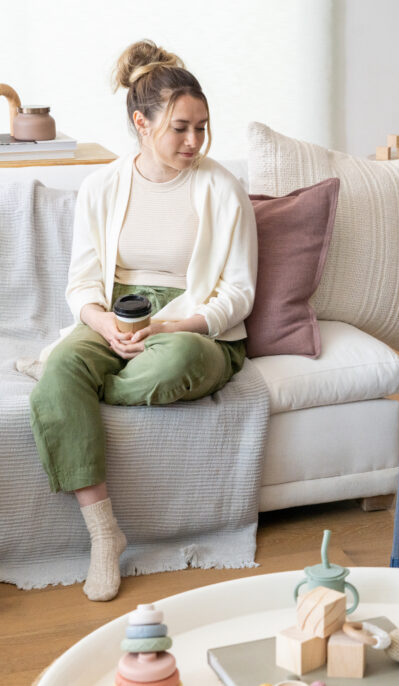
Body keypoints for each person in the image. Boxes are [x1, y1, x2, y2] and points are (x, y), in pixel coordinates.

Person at [28, 39, 257, 601]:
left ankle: (63, 391)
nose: (194, 141)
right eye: (180, 127)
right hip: (117, 317)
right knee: (67, 365)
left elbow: (240, 291)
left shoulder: (224, 189)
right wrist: (103, 324)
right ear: (141, 122)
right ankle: (104, 534)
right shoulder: (102, 187)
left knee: (164, 363)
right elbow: (81, 283)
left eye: (202, 127)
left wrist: (183, 326)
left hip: (195, 329)